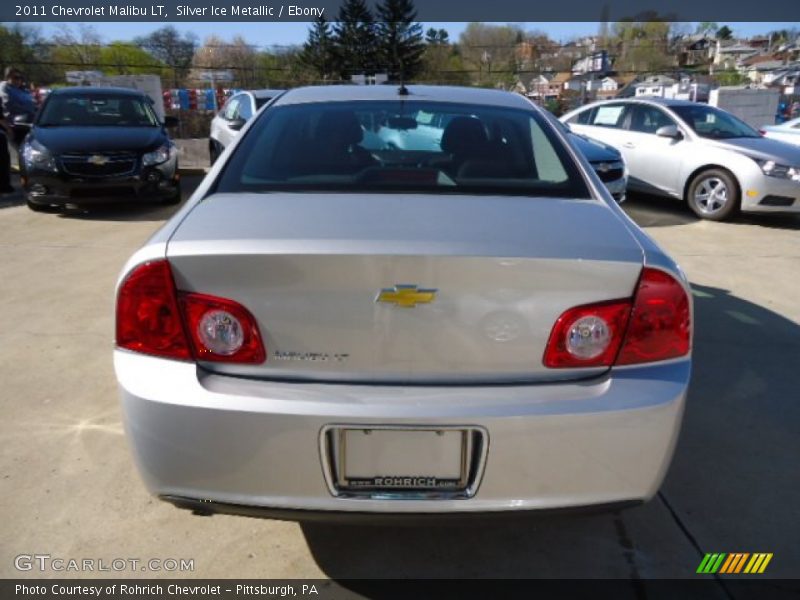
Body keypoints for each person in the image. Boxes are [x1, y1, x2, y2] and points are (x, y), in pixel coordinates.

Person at [0, 67, 37, 146]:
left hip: (29, 124)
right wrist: (29, 111)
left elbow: (33, 103)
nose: (18, 80)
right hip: (15, 126)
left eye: (20, 78)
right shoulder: (4, 87)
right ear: (7, 77)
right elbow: (8, 103)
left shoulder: (24, 90)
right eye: (15, 78)